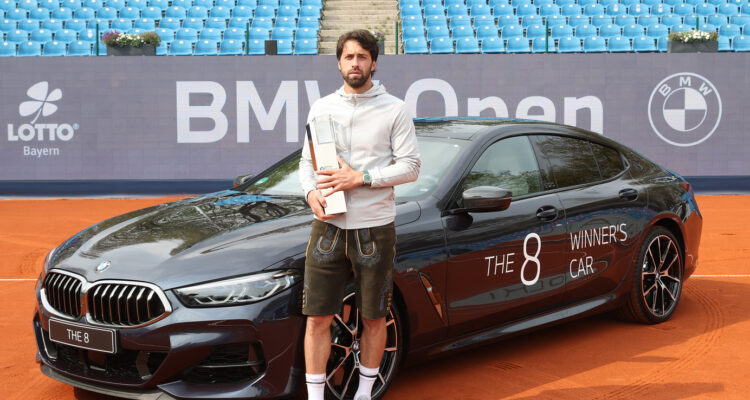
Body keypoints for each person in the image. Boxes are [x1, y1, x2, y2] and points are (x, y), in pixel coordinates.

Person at [298, 30, 421, 400]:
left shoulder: (394, 108)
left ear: (374, 63)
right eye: (349, 57)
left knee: (373, 317)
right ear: (339, 63)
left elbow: (411, 167)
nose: (355, 63)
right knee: (317, 317)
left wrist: (362, 178)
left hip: (375, 229)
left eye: (362, 57)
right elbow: (307, 162)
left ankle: (365, 393)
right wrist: (309, 193)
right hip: (328, 227)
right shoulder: (321, 107)